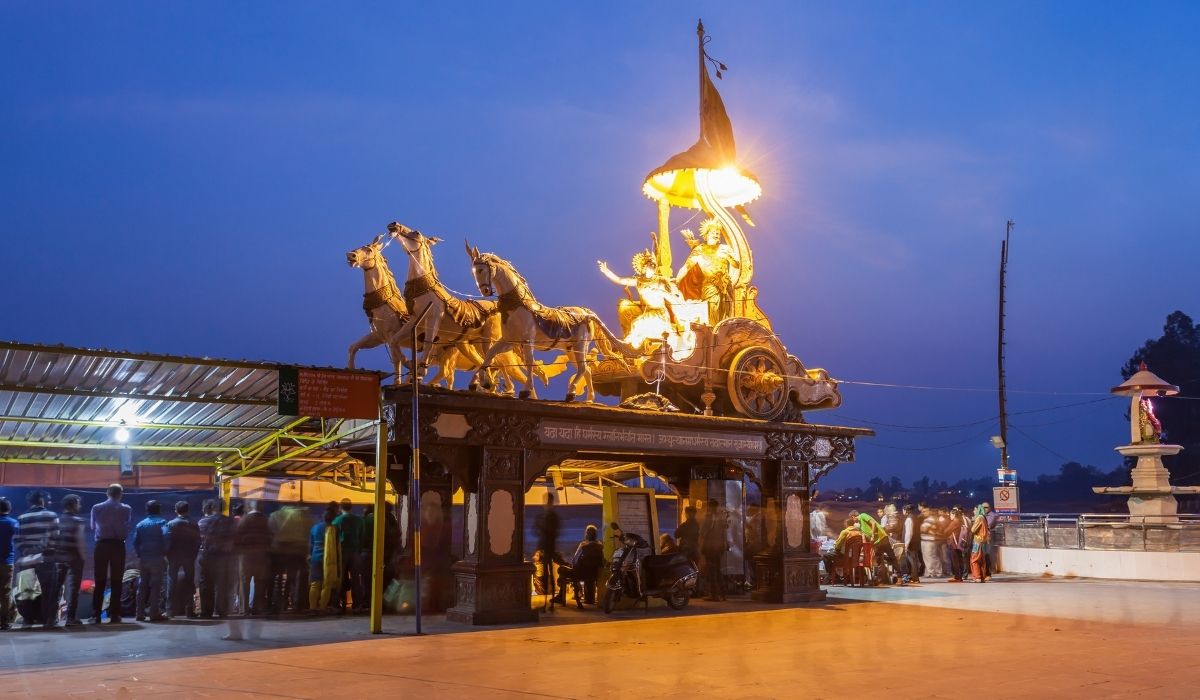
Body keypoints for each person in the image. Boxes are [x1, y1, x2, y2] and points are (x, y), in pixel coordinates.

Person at [675, 218, 742, 324]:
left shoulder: (725, 249)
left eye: (718, 233)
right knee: (711, 311)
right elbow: (686, 267)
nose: (716, 234)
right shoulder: (699, 250)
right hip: (710, 286)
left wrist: (731, 257)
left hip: (726, 286)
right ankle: (713, 330)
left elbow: (736, 265)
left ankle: (722, 330)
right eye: (713, 232)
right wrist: (677, 280)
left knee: (726, 314)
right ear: (706, 234)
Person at [14, 490, 59, 627]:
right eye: (48, 499)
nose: (49, 502)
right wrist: (40, 550)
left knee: (26, 591)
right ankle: (48, 620)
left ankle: (27, 620)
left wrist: (27, 551)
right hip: (46, 558)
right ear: (41, 500)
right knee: (48, 590)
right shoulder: (51, 515)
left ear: (29, 502)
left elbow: (17, 539)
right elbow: (55, 537)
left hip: (26, 559)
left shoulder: (21, 518)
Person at [90, 483, 132, 624]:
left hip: (101, 545)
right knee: (117, 580)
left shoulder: (96, 507)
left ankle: (95, 614)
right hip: (118, 546)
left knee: (99, 580)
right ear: (120, 494)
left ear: (107, 493)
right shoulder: (126, 509)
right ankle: (115, 614)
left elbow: (92, 527)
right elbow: (127, 528)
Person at [52, 494, 87, 626]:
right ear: (73, 504)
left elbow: (54, 539)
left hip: (59, 557)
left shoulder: (57, 520)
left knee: (57, 587)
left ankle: (52, 618)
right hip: (74, 557)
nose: (80, 506)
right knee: (73, 588)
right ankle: (70, 618)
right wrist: (83, 556)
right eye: (78, 503)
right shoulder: (78, 521)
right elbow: (80, 541)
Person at [268, 504, 310, 614]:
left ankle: (279, 604)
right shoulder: (301, 516)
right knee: (295, 579)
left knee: (278, 579)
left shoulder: (274, 515)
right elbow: (307, 532)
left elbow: (271, 533)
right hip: (297, 551)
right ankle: (297, 604)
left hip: (279, 551)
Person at [197, 499, 235, 618]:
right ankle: (221, 610)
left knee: (205, 584)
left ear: (212, 508)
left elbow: (199, 538)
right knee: (222, 584)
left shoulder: (203, 521)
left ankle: (206, 612)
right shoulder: (229, 521)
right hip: (223, 557)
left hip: (206, 556)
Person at [553, 524, 605, 608]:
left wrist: (572, 565)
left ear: (586, 534)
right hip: (594, 573)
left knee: (561, 569)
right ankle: (588, 598)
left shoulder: (583, 545)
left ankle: (561, 596)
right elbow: (602, 561)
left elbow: (574, 560)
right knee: (569, 569)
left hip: (579, 573)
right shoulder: (600, 546)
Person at [164, 500, 201, 618]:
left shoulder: (170, 524)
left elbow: (166, 541)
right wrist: (193, 555)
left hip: (173, 557)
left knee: (171, 582)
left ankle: (170, 610)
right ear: (187, 510)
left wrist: (167, 555)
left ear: (176, 511)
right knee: (189, 582)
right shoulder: (193, 524)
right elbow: (198, 541)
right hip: (189, 557)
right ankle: (189, 610)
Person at [235, 500, 273, 615]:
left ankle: (244, 609)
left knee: (244, 582)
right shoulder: (266, 521)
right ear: (261, 507)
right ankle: (257, 608)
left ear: (249, 507)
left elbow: (237, 537)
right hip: (261, 556)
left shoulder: (244, 520)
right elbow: (271, 538)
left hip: (246, 557)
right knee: (259, 582)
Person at [133, 500, 168, 622]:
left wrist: (140, 554)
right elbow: (166, 537)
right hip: (157, 558)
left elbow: (135, 542)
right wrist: (164, 552)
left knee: (142, 585)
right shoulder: (162, 522)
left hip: (144, 559)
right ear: (159, 510)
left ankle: (139, 613)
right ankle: (154, 613)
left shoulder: (140, 524)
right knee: (156, 586)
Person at [332, 499, 366, 613]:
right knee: (356, 579)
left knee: (340, 578)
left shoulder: (337, 520)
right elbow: (362, 536)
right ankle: (357, 605)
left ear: (340, 508)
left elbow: (333, 538)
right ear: (351, 507)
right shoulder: (359, 520)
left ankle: (338, 605)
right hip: (355, 552)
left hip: (341, 553)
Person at [308, 507, 341, 614]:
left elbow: (311, 544)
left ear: (323, 517)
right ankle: (322, 608)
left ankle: (312, 608)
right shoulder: (335, 529)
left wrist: (310, 556)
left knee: (315, 583)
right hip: (330, 558)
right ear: (333, 518)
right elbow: (337, 545)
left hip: (315, 557)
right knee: (327, 584)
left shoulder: (315, 527)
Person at [533, 493, 561, 610]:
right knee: (549, 573)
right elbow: (556, 531)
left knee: (546, 573)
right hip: (548, 547)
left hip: (546, 547)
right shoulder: (551, 515)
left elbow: (537, 530)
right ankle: (548, 604)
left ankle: (546, 604)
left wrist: (542, 529)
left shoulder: (545, 516)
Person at [700, 499, 729, 601]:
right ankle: (723, 594)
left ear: (710, 506)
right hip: (718, 548)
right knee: (717, 570)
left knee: (712, 571)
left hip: (710, 548)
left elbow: (702, 532)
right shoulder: (721, 518)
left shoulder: (709, 517)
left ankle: (713, 595)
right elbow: (724, 533)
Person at [0, 498, 19, 630]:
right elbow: (19, 539)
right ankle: (5, 622)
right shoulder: (13, 523)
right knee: (5, 593)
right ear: (9, 509)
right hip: (7, 562)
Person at [945, 507, 968, 582]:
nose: (950, 516)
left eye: (950, 514)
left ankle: (957, 577)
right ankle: (959, 576)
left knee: (955, 561)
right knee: (959, 559)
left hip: (954, 544)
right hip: (959, 544)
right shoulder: (961, 521)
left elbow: (947, 531)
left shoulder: (955, 521)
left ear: (954, 514)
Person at [900, 504, 921, 584]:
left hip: (911, 543)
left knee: (912, 561)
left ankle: (915, 578)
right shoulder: (915, 517)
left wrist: (906, 544)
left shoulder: (909, 519)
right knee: (913, 560)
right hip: (915, 542)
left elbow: (909, 533)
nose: (902, 512)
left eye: (903, 510)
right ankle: (913, 577)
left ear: (906, 510)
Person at [970, 504, 991, 583]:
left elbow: (973, 530)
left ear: (978, 510)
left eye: (975, 510)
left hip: (978, 541)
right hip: (983, 541)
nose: (973, 511)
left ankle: (977, 577)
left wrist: (973, 522)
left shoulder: (979, 518)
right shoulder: (984, 517)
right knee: (982, 560)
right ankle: (982, 576)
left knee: (974, 559)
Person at [983, 502, 999, 577]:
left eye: (986, 507)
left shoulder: (993, 515)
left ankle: (992, 569)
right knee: (985, 552)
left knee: (990, 552)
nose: (984, 509)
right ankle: (987, 569)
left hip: (990, 534)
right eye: (983, 507)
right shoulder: (983, 515)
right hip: (984, 535)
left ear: (990, 508)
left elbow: (989, 525)